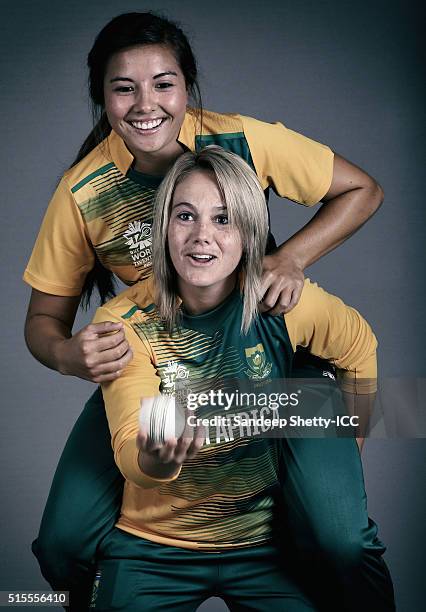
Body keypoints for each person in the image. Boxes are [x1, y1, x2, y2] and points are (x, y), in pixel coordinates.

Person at [23, 12, 385, 609]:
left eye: (163, 83)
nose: (146, 104)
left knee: (337, 536)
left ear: (187, 88)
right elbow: (43, 324)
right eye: (123, 87)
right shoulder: (83, 192)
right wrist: (66, 352)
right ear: (101, 99)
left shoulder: (245, 140)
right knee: (62, 542)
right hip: (162, 364)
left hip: (273, 360)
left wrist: (288, 259)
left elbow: (362, 189)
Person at [89, 146, 394, 611]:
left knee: (345, 545)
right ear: (162, 227)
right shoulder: (125, 320)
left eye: (224, 220)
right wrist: (155, 457)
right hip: (155, 548)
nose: (202, 237)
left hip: (267, 548)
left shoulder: (282, 302)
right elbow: (133, 448)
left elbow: (360, 348)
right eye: (185, 216)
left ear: (250, 233)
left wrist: (351, 445)